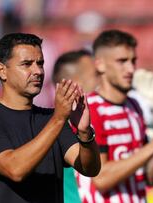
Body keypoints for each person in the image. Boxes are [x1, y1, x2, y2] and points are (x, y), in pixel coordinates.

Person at [0, 33, 101, 203]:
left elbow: (90, 168)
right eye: (26, 64)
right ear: (2, 70)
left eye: (40, 63)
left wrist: (85, 133)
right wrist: (58, 119)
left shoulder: (50, 118)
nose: (37, 71)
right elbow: (15, 169)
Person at [76, 29, 153, 202]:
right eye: (122, 61)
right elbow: (101, 179)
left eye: (133, 61)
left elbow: (149, 177)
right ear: (100, 65)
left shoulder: (136, 108)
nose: (131, 69)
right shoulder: (90, 109)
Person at [52, 49, 98, 203]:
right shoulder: (58, 129)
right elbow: (101, 178)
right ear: (75, 85)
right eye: (96, 75)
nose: (103, 80)